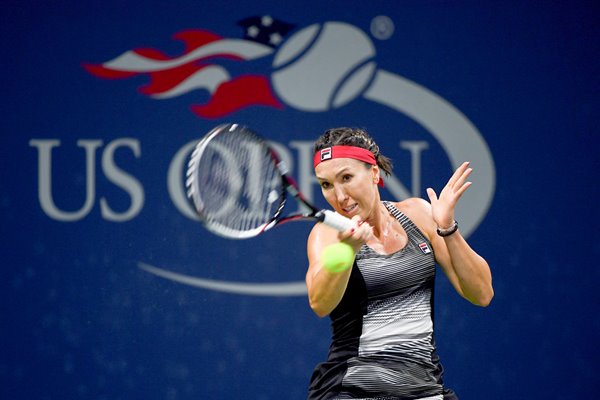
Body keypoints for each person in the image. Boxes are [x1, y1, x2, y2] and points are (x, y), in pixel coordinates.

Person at [305, 127, 493, 400]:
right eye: (327, 184)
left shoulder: (418, 214)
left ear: (373, 173)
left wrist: (448, 228)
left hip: (425, 389)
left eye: (346, 177)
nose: (339, 195)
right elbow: (320, 303)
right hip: (352, 391)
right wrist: (348, 250)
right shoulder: (327, 235)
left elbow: (482, 293)